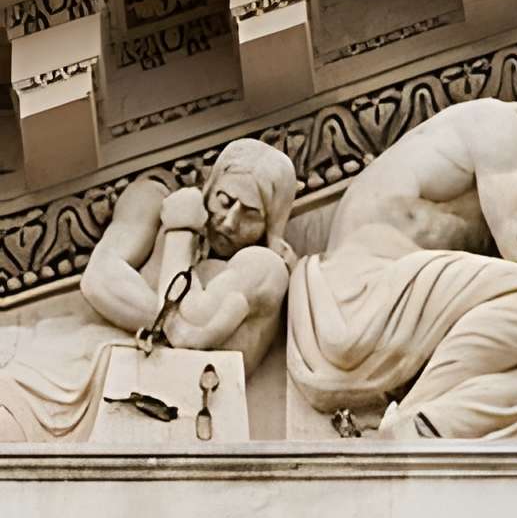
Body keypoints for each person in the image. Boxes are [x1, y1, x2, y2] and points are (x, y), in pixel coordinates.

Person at [287, 47, 517, 438]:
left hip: (412, 316)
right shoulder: (498, 126)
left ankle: (417, 430)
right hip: (360, 295)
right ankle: (410, 412)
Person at [0, 139, 297, 443]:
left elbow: (188, 330)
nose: (230, 220)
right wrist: (170, 322)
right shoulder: (153, 198)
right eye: (225, 200)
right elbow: (99, 281)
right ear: (210, 186)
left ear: (269, 224)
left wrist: (181, 231)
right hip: (66, 366)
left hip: (154, 402)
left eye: (250, 214)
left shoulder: (263, 269)